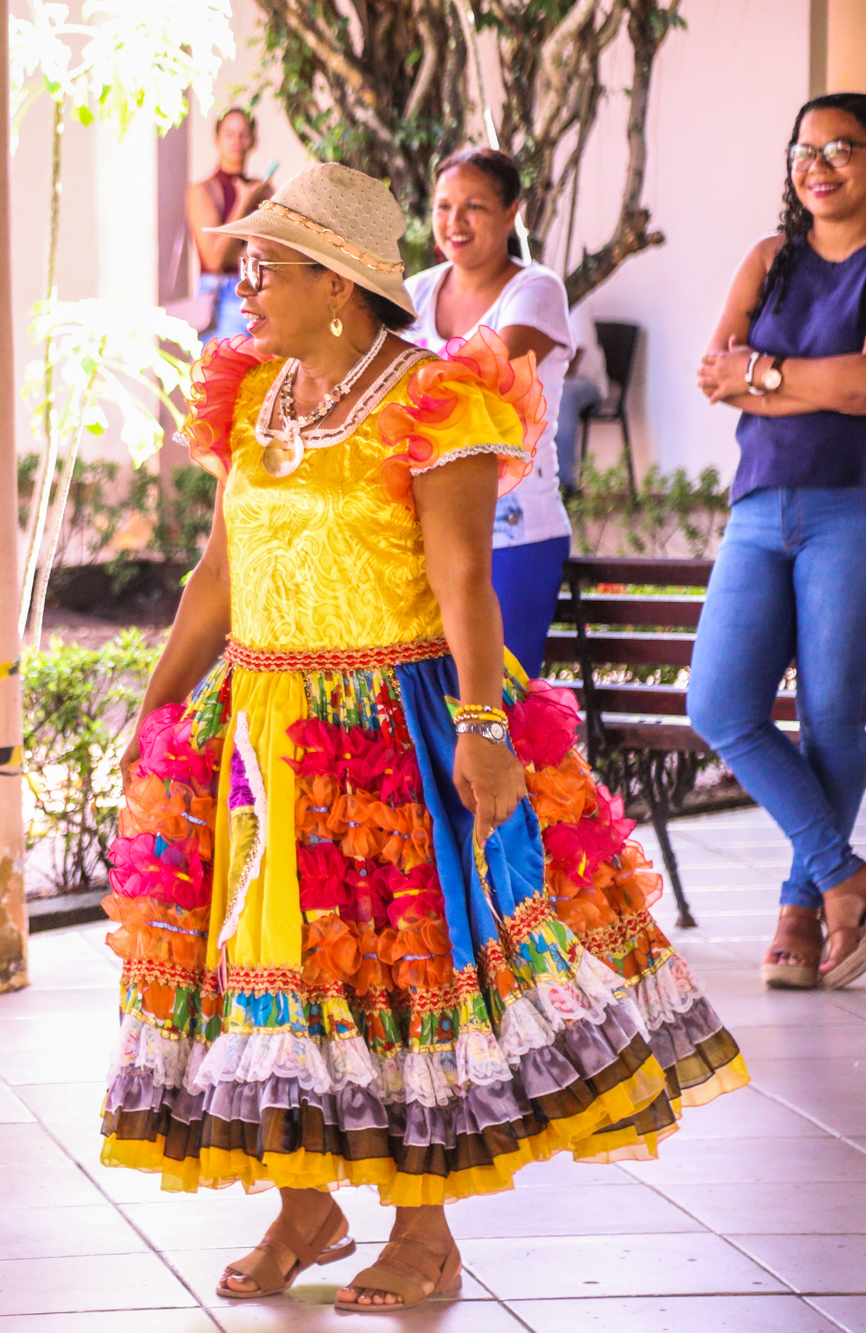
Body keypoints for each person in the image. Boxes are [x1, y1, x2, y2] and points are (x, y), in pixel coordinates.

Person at [100, 162, 745, 1312]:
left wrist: (482, 725)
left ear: (337, 284)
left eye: (265, 267)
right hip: (260, 733)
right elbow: (217, 574)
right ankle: (306, 1203)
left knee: (400, 974)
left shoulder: (433, 398)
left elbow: (463, 583)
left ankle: (423, 1229)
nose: (243, 286)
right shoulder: (251, 397)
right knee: (279, 976)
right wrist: (157, 709)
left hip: (386, 731)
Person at [689, 91, 866, 992]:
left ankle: (801, 907)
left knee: (834, 719)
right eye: (804, 150)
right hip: (759, 510)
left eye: (841, 148)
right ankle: (845, 877)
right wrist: (810, 382)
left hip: (854, 508)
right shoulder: (769, 260)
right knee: (719, 705)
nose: (818, 166)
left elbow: (864, 388)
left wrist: (761, 373)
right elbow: (712, 376)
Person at [405, 147, 574, 677]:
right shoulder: (413, 292)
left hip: (514, 531)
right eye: (443, 206)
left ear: (511, 212)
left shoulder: (537, 289)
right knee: (430, 703)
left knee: (501, 699)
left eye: (473, 206)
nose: (454, 221)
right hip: (424, 530)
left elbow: (484, 380)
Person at [175, 108, 273, 341]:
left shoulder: (262, 190)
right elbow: (215, 259)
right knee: (225, 363)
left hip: (260, 294)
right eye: (229, 134)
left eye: (243, 134)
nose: (236, 141)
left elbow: (273, 252)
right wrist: (243, 202)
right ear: (217, 139)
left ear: (253, 141)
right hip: (222, 298)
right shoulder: (203, 191)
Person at [556, 304, 608, 493]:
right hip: (546, 382)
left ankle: (565, 485)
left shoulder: (574, 303)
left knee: (562, 392)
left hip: (583, 381)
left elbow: (578, 351)